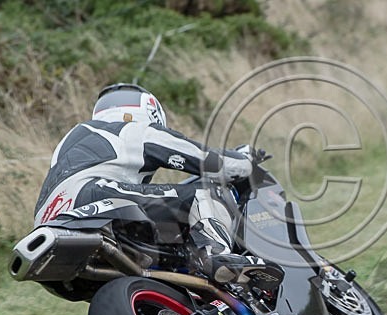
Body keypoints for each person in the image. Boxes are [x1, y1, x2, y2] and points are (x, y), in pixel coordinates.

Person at [33, 83, 282, 288]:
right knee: (203, 193)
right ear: (150, 111)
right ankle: (216, 256)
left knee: (164, 231)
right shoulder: (133, 129)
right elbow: (208, 161)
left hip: (49, 228)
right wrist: (246, 160)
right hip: (93, 197)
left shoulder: (75, 138)